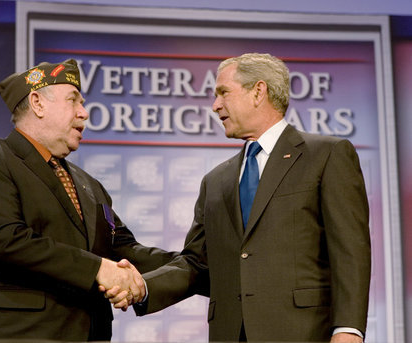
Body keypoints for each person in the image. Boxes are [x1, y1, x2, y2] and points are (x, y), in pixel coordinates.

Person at [108, 53, 371, 343]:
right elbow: (196, 263)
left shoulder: (326, 155)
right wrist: (143, 287)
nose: (215, 105)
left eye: (223, 93)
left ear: (259, 91)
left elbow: (350, 251)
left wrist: (348, 329)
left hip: (304, 332)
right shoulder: (216, 181)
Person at [0, 59, 175, 341]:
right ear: (37, 103)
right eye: (74, 101)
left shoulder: (89, 185)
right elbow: (4, 240)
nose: (84, 113)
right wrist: (97, 269)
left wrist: (195, 268)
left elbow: (125, 250)